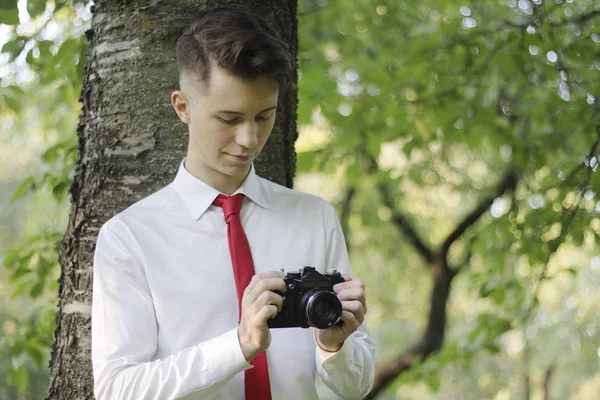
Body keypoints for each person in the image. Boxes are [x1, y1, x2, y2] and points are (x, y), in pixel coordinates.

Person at [91, 8, 375, 400]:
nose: (249, 138)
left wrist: (334, 347)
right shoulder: (129, 238)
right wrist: (237, 347)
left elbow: (355, 388)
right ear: (183, 107)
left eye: (264, 116)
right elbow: (117, 390)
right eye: (229, 118)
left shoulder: (314, 218)